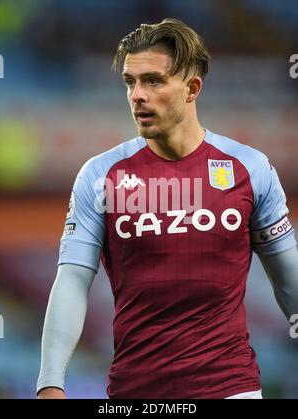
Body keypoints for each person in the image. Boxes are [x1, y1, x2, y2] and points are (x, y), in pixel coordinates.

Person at [37, 18, 298, 399]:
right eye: (130, 82)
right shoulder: (100, 175)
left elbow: (288, 278)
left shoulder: (249, 169)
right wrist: (50, 381)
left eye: (153, 81)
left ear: (192, 88)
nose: (137, 95)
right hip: (133, 393)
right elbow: (73, 279)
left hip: (231, 388)